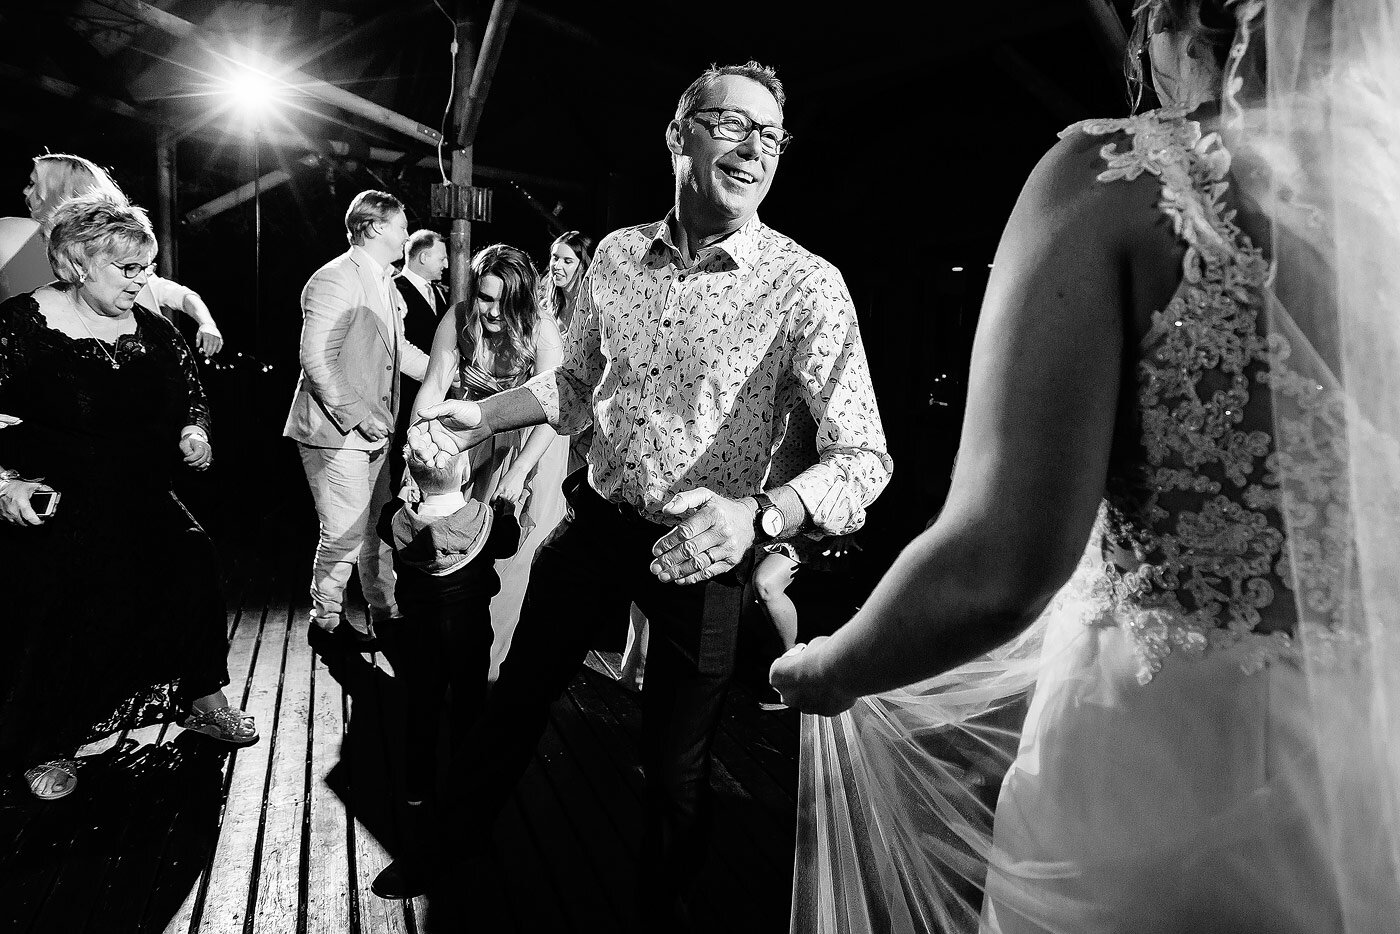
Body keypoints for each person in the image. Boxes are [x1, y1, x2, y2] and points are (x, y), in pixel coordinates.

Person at [771, 1, 1400, 931]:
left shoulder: (1120, 179)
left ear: (1180, 17)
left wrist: (834, 666)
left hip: (1156, 771)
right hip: (1372, 780)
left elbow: (1000, 567)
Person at [412, 61, 891, 927]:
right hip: (597, 526)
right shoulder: (617, 257)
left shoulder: (805, 283)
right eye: (733, 126)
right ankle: (450, 844)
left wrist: (759, 514)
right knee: (517, 696)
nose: (755, 149)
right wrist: (474, 417)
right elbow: (573, 387)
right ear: (679, 135)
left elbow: (864, 455)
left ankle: (660, 912)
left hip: (701, 554)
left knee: (676, 768)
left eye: (771, 135)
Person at [0, 193, 255, 801]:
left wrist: (196, 432)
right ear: (78, 262)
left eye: (147, 265)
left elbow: (191, 396)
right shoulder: (21, 324)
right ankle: (46, 741)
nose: (143, 280)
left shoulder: (157, 329)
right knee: (68, 595)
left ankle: (202, 698)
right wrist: (5, 484)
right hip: (55, 499)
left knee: (192, 557)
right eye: (128, 268)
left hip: (139, 489)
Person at [410, 242, 569, 681]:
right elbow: (435, 383)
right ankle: (458, 647)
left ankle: (496, 666)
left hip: (534, 439)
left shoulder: (543, 330)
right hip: (476, 430)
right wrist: (417, 446)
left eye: (505, 300)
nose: (493, 311)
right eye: (485, 296)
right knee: (469, 538)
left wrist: (520, 473)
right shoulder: (460, 316)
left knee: (517, 548)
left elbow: (553, 409)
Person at [370, 441, 520, 900]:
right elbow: (510, 542)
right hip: (470, 638)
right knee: (470, 705)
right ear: (465, 476)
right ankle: (461, 778)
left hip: (419, 639)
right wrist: (506, 506)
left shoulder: (396, 521)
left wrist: (405, 495)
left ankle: (416, 788)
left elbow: (384, 520)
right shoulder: (484, 521)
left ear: (415, 479)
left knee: (421, 705)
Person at [283, 190, 429, 649]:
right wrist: (360, 415)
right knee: (344, 533)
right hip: (335, 432)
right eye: (402, 225)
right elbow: (316, 358)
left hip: (372, 431)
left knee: (373, 531)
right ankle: (324, 623)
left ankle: (384, 613)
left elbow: (398, 352)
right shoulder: (334, 278)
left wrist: (455, 376)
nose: (408, 234)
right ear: (375, 226)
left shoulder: (383, 281)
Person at [0, 153, 225, 356]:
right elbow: (156, 351)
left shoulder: (9, 233)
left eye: (32, 184)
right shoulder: (121, 259)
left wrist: (207, 324)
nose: (25, 192)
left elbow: (172, 307)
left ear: (54, 189)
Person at [390, 229, 450, 490]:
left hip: (436, 395)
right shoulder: (395, 289)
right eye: (442, 258)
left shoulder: (441, 294)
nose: (447, 265)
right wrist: (441, 371)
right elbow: (398, 349)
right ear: (424, 257)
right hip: (405, 395)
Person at [538, 230, 595, 474]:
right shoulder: (544, 304)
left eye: (567, 261)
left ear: (583, 266)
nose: (556, 266)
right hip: (546, 405)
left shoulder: (592, 306)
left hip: (581, 412)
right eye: (554, 258)